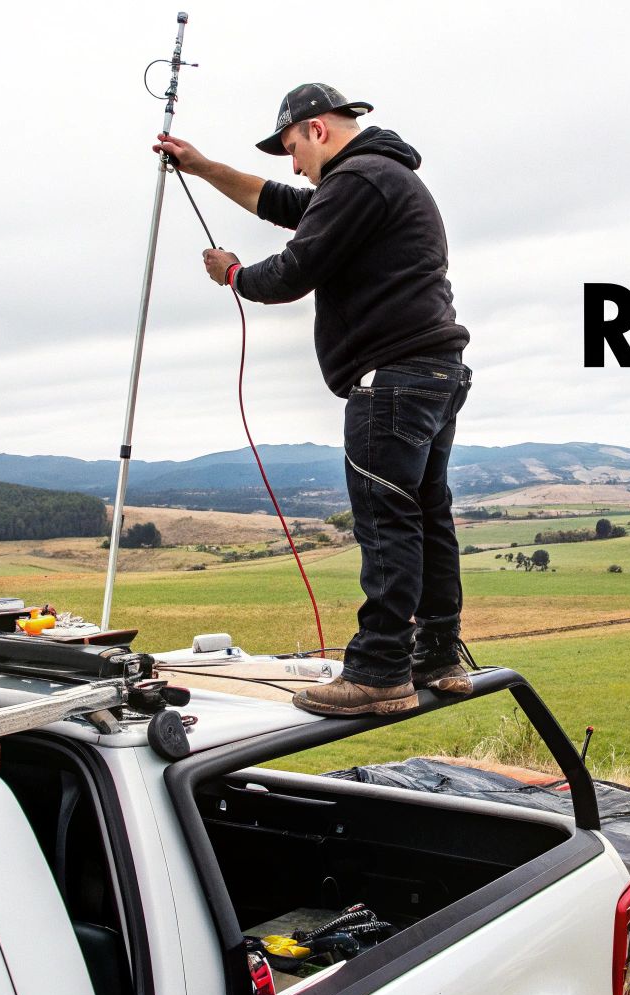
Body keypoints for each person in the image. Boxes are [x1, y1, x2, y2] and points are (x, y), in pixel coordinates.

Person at [153, 83, 472, 716]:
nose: (292, 165)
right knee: (426, 513)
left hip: (390, 380)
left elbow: (293, 271)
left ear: (318, 129)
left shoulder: (359, 181)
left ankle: (380, 669)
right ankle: (438, 655)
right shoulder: (379, 179)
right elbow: (284, 204)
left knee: (386, 522)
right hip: (434, 372)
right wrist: (206, 166)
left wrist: (236, 275)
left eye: (293, 147)